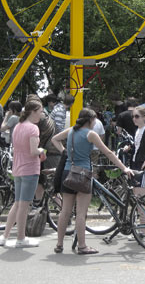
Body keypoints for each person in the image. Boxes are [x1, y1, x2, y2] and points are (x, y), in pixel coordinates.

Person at [51, 108, 133, 255]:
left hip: (67, 172)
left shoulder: (70, 131)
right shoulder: (91, 134)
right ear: (90, 120)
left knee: (65, 211)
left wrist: (65, 151)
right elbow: (107, 152)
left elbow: (54, 139)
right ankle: (82, 246)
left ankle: (59, 244)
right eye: (94, 119)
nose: (95, 122)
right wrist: (124, 168)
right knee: (81, 213)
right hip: (83, 175)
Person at [0, 100, 47, 248]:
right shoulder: (33, 129)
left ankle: (5, 236)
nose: (41, 114)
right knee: (24, 205)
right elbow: (33, 151)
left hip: (17, 168)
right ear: (33, 112)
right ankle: (20, 238)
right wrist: (41, 151)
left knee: (17, 203)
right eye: (40, 111)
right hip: (30, 169)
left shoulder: (18, 126)